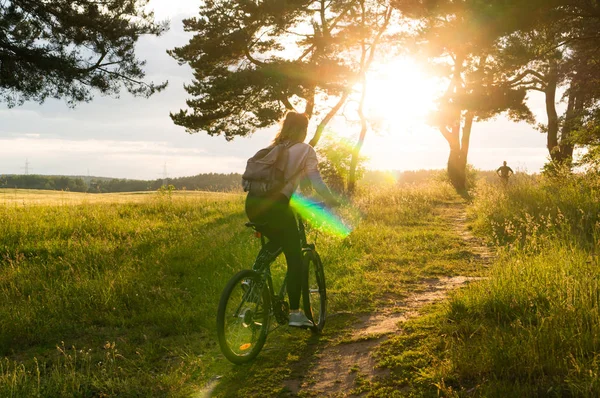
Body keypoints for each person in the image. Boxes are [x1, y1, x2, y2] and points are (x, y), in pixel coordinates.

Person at [245, 112, 340, 328]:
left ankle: (252, 281)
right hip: (276, 207)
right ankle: (296, 313)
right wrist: (331, 199)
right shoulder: (305, 150)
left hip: (252, 205)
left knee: (277, 241)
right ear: (303, 130)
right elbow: (315, 180)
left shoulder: (271, 149)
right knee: (295, 258)